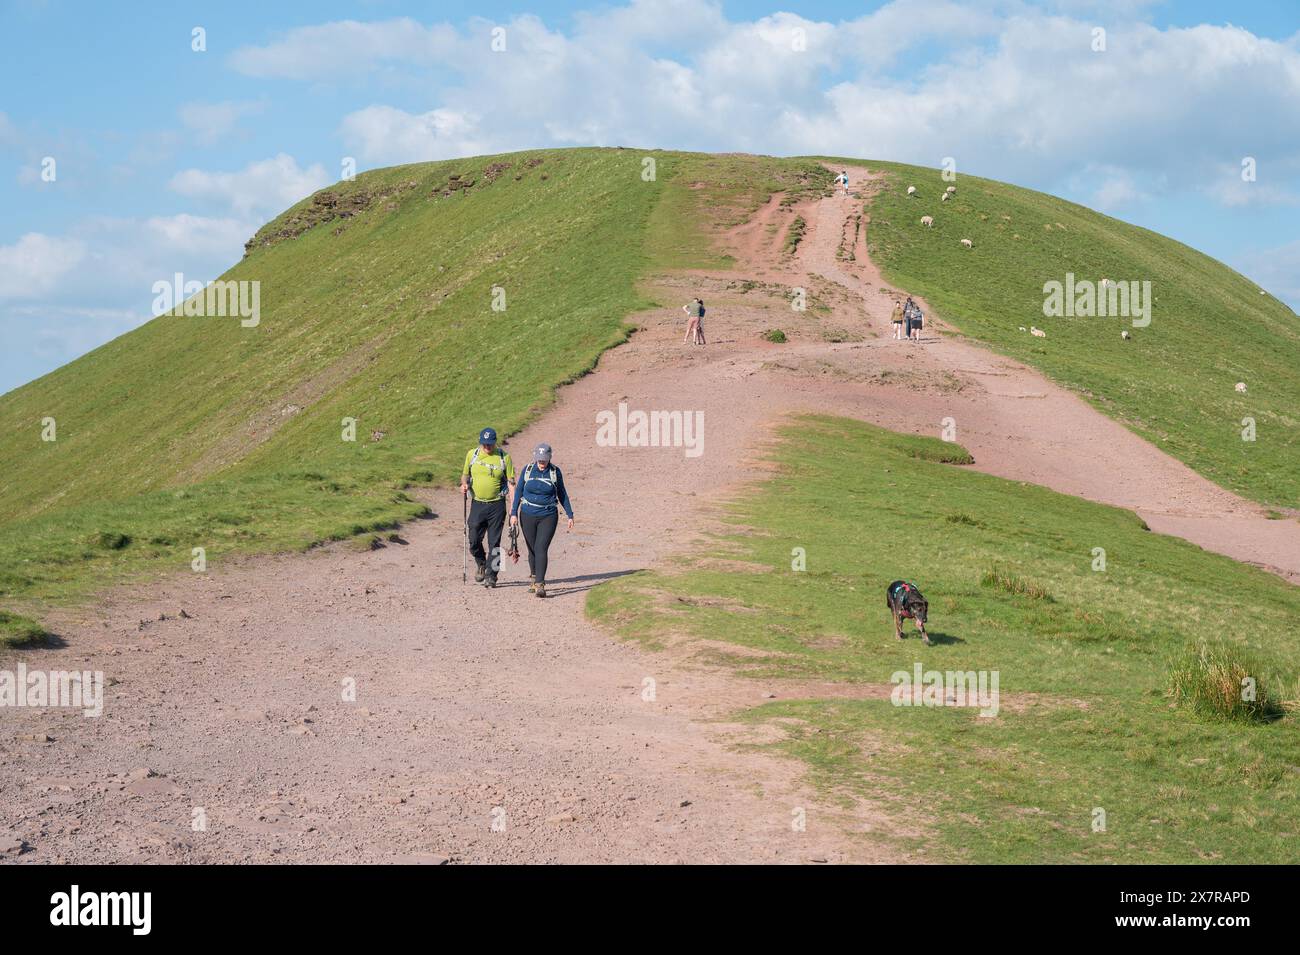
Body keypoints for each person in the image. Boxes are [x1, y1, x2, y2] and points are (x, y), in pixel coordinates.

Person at [510, 443, 574, 598]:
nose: (541, 462)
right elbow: (518, 491)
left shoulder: (555, 472)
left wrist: (570, 514)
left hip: (548, 515)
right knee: (532, 548)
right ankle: (533, 577)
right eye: (539, 459)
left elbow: (562, 493)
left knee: (541, 547)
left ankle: (540, 583)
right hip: (527, 514)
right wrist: (513, 513)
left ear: (549, 458)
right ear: (535, 458)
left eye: (544, 459)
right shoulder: (528, 470)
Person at [460, 427, 515, 588]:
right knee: (473, 539)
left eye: (490, 444)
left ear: (495, 442)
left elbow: (511, 483)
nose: (487, 447)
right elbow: (465, 475)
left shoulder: (504, 457)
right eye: (484, 444)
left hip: (497, 505)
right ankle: (481, 563)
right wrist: (463, 484)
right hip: (477, 503)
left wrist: (513, 508)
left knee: (495, 542)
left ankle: (493, 576)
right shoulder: (472, 455)